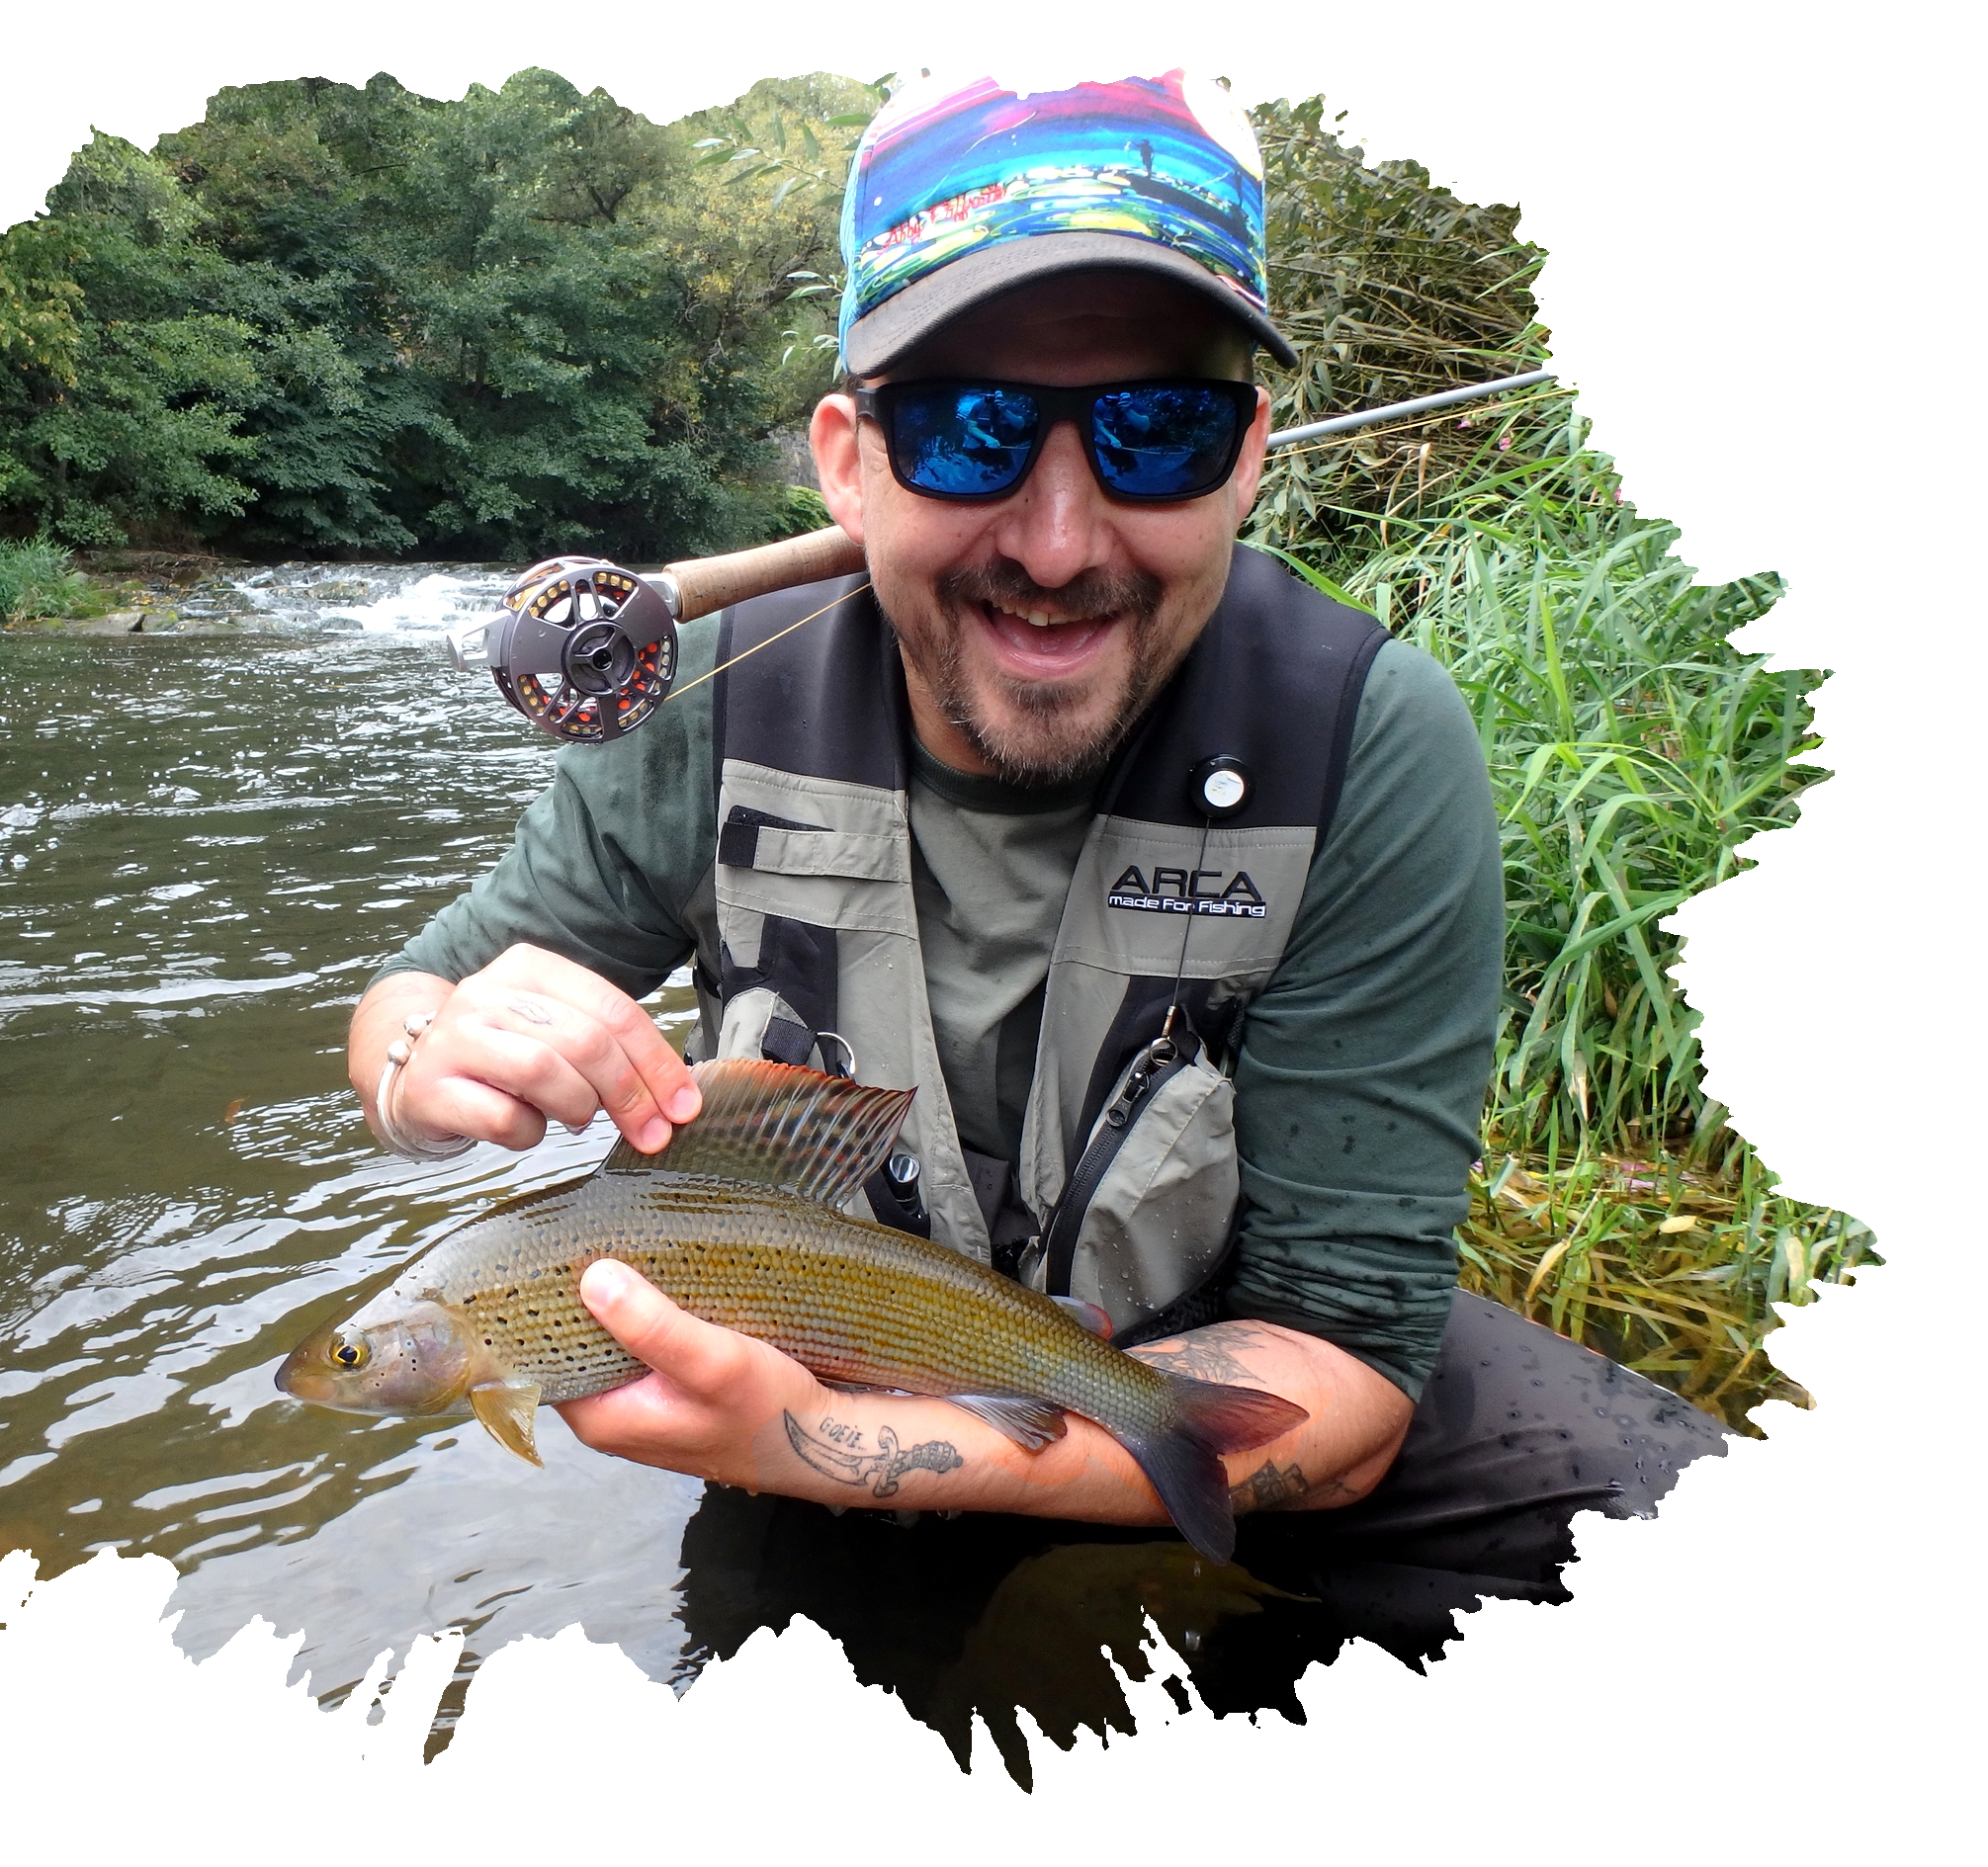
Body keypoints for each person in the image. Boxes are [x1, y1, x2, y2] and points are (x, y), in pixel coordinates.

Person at [346, 69, 1725, 1548]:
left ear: (1249, 456)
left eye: (1157, 429)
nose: (1060, 545)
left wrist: (932, 1439)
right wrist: (420, 1065)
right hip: (820, 1389)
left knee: (1701, 1527)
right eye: (966, 425)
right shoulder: (699, 702)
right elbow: (412, 1002)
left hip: (1194, 1372)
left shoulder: (1364, 739)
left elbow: (1350, 1349)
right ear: (848, 461)